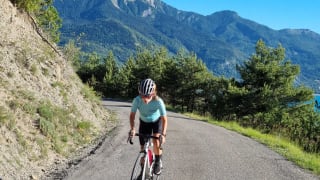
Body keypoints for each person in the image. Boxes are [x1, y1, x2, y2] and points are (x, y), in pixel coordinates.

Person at [129, 78, 168, 175]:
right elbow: (132, 115)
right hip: (144, 122)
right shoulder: (137, 100)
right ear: (139, 93)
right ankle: (143, 172)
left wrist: (163, 134)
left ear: (153, 93)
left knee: (156, 141)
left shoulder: (159, 102)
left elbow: (164, 119)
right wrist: (132, 129)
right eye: (142, 95)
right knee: (143, 150)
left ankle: (158, 161)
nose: (145, 99)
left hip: (156, 122)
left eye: (148, 96)